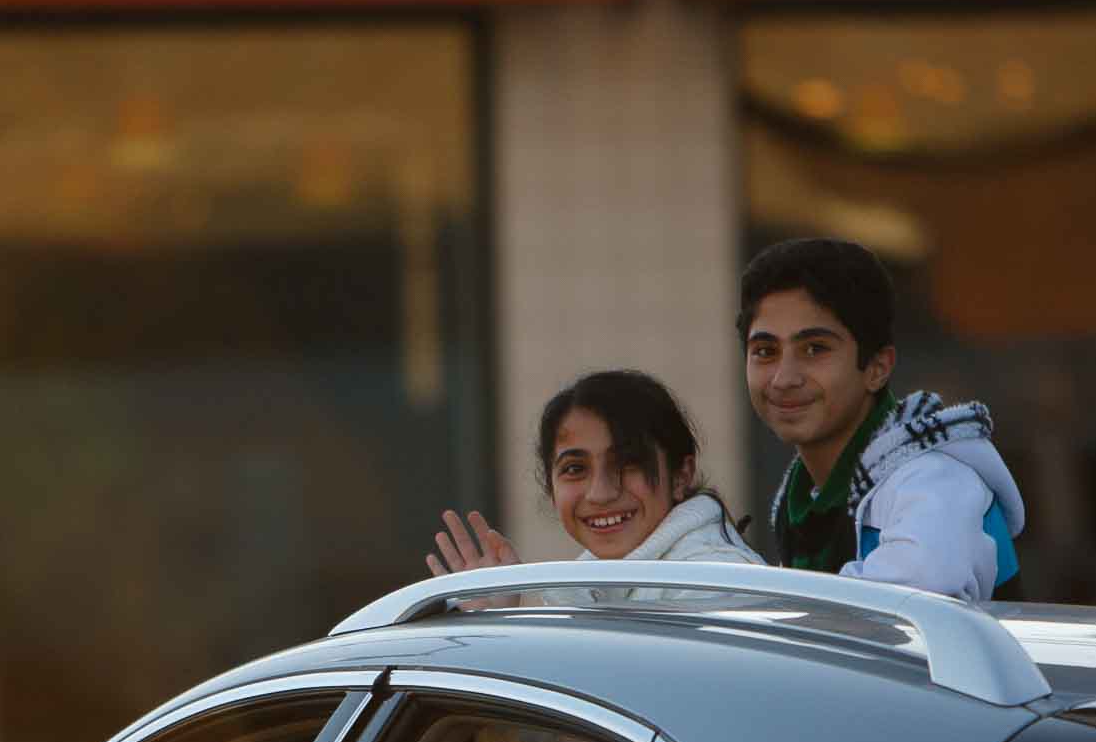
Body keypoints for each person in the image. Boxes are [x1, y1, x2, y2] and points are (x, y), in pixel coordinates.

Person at [739, 237, 1025, 603]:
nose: (784, 378)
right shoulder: (803, 495)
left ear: (877, 368)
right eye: (765, 352)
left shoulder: (935, 481)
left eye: (815, 349)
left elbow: (900, 609)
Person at [425, 369, 762, 606]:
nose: (600, 493)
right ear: (551, 488)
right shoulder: (594, 588)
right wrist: (495, 625)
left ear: (680, 475)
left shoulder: (714, 587)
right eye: (575, 469)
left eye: (628, 463)